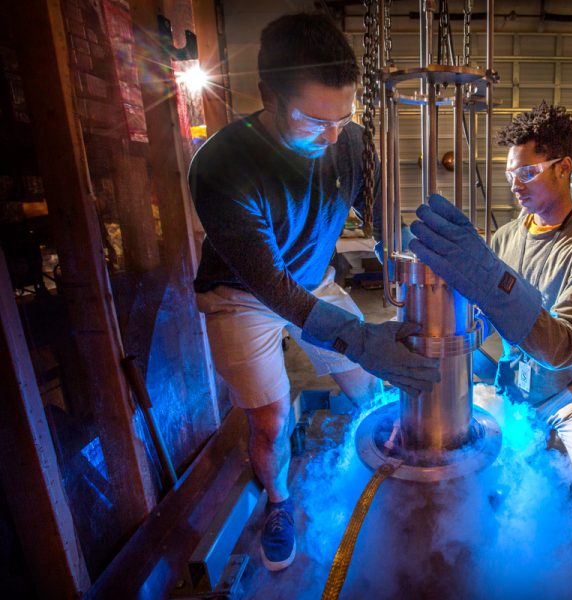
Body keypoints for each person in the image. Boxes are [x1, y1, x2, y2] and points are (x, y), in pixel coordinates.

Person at [188, 13, 439, 571]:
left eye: (341, 119)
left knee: (367, 387)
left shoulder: (346, 140)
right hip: (243, 296)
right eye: (311, 120)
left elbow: (381, 221)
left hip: (313, 281)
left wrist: (418, 270)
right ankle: (279, 503)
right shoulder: (223, 165)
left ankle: (381, 475)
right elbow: (270, 284)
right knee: (272, 416)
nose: (331, 136)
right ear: (266, 96)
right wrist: (354, 334)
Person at [410, 102, 572, 524]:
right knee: (458, 463)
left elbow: (563, 349)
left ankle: (567, 470)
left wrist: (492, 280)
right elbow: (483, 322)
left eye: (528, 173)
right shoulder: (505, 237)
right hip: (509, 378)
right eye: (510, 173)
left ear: (564, 167)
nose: (516, 185)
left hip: (564, 386)